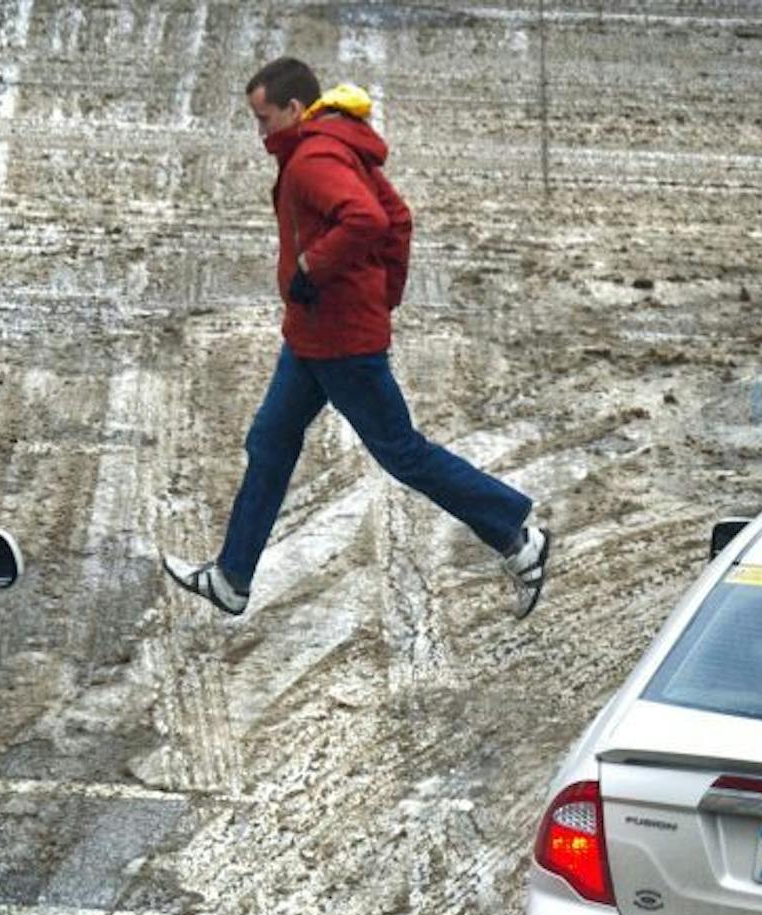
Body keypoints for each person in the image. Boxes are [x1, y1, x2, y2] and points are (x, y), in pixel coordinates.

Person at [161, 56, 550, 620]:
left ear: (295, 109)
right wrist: (381, 293)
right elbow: (398, 216)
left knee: (403, 454)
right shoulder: (332, 144)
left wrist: (314, 269)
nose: (260, 131)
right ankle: (231, 578)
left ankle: (517, 539)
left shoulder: (314, 157)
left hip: (340, 343)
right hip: (314, 336)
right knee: (270, 441)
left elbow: (366, 219)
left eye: (264, 118)